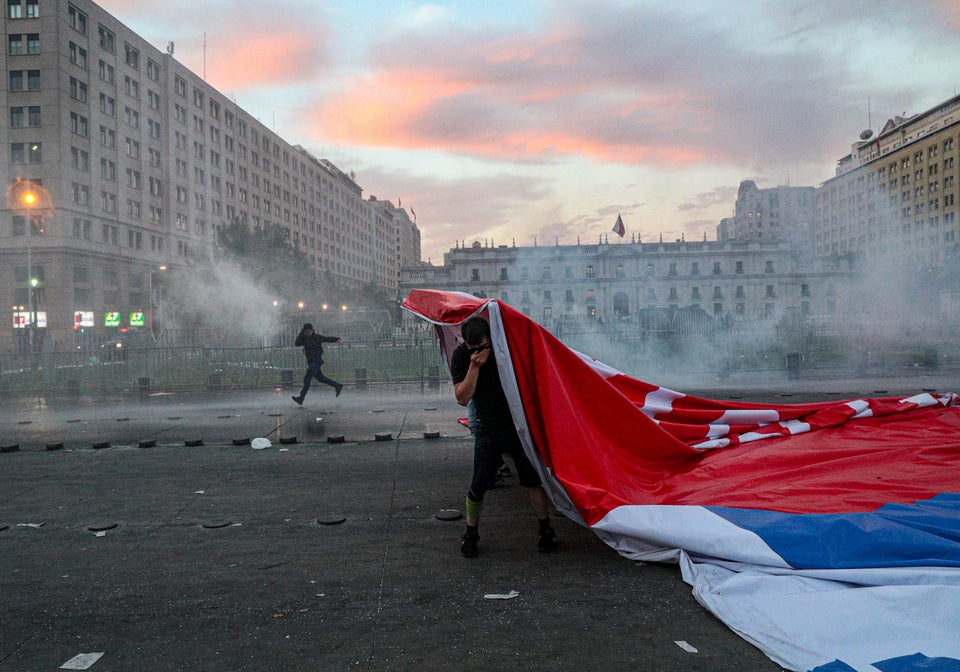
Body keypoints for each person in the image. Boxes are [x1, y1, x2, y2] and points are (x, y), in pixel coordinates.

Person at [450, 315, 557, 557]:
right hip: (487, 428)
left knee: (532, 480)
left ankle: (546, 530)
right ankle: (471, 533)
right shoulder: (462, 356)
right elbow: (462, 397)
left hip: (517, 427)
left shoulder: (504, 349)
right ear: (467, 344)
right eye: (475, 348)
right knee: (478, 485)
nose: (481, 351)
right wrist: (475, 366)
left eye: (484, 346)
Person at [291, 323, 343, 405]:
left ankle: (301, 398)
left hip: (317, 361)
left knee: (307, 378)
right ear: (304, 331)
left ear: (312, 330)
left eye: (310, 331)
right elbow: (297, 343)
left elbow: (327, 339)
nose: (308, 333)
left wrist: (337, 339)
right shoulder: (303, 338)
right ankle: (337, 385)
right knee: (321, 378)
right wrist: (301, 334)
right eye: (306, 331)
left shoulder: (317, 337)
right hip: (311, 361)